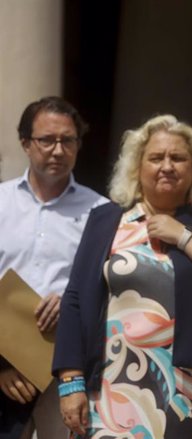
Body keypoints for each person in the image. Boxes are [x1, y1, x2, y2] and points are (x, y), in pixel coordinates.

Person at [52, 114, 192, 438]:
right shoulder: (105, 220)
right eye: (156, 158)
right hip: (109, 389)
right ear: (137, 167)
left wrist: (182, 235)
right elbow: (75, 299)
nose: (167, 166)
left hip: (188, 393)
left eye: (178, 158)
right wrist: (71, 381)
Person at [0, 96, 107, 439]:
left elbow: (109, 288)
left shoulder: (102, 212)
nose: (58, 150)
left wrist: (71, 301)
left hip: (68, 370)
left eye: (68, 140)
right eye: (47, 140)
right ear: (25, 143)